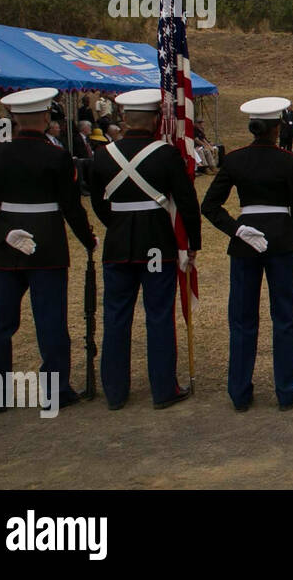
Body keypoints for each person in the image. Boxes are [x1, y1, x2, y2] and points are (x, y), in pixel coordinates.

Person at [0, 88, 96, 413]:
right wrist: (88, 238)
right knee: (51, 321)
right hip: (49, 244)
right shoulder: (57, 157)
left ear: (14, 118)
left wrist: (3, 234)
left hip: (8, 246)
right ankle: (56, 391)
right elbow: (71, 207)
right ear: (45, 117)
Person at [88, 89, 201, 410]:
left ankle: (115, 391)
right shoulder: (166, 155)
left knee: (116, 317)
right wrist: (191, 243)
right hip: (157, 243)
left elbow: (99, 203)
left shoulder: (101, 155)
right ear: (155, 121)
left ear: (124, 119)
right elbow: (187, 203)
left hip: (118, 243)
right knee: (159, 316)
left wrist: (118, 224)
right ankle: (163, 388)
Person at [201, 97, 293, 411]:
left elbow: (209, 206)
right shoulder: (289, 161)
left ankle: (239, 393)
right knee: (285, 317)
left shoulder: (235, 160)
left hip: (246, 241)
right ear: (277, 128)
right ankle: (287, 391)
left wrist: (236, 228)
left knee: (242, 319)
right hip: (281, 238)